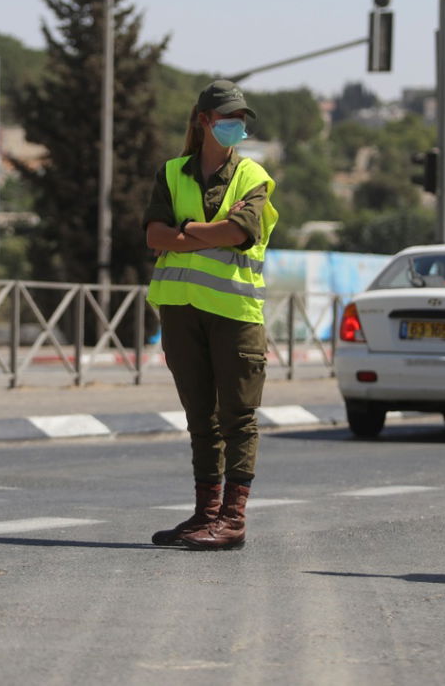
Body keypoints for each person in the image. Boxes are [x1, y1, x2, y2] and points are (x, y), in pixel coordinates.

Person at [144, 79, 278, 551]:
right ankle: (205, 515)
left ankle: (233, 519)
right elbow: (154, 237)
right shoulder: (173, 172)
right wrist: (205, 233)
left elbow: (239, 232)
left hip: (236, 313)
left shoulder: (253, 177)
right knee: (200, 418)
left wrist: (187, 229)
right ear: (204, 120)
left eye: (241, 119)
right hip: (181, 311)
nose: (236, 125)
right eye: (228, 118)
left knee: (237, 417)